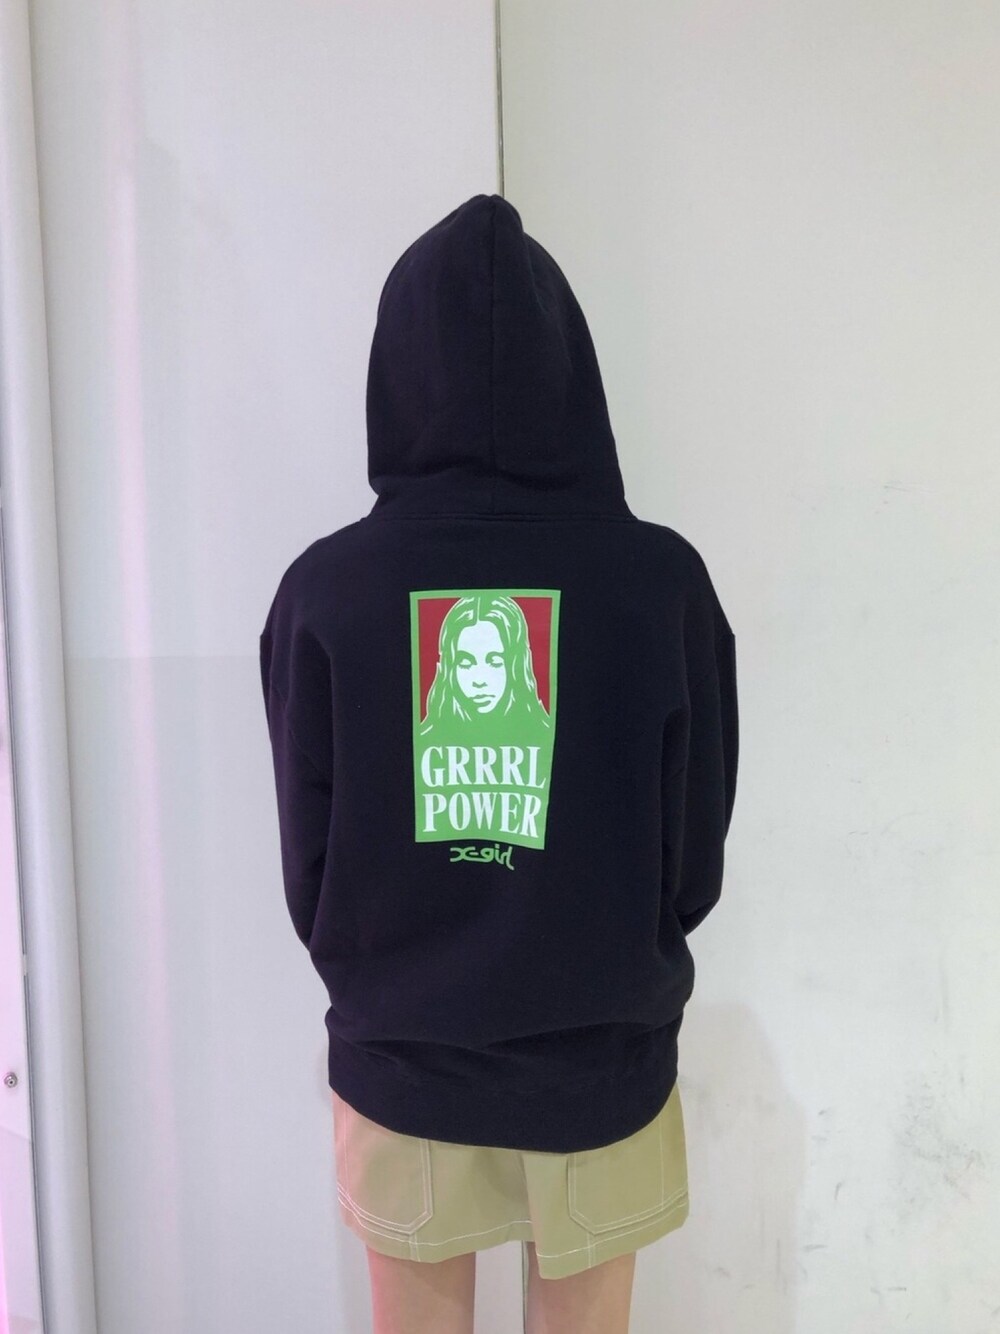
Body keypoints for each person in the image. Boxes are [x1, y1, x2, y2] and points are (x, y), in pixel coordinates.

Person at [259, 193, 739, 1334]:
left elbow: (309, 850)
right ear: (571, 371)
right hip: (602, 1060)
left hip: (401, 1058)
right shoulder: (660, 582)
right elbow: (694, 843)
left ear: (394, 370)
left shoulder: (325, 591)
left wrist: (393, 968)